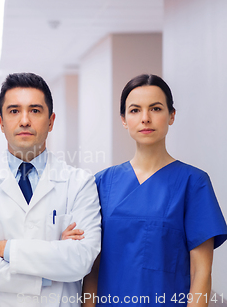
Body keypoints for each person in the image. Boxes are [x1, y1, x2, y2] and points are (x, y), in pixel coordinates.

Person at [0, 72, 101, 307]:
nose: (24, 121)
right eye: (14, 111)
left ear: (51, 121)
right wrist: (51, 265)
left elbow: (81, 260)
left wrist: (4, 249)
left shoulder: (80, 183)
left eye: (35, 110)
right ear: (1, 123)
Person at [82, 74, 227, 307]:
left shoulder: (194, 183)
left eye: (156, 108)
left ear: (171, 116)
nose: (145, 118)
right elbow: (92, 269)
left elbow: (201, 272)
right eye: (135, 110)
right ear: (123, 119)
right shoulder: (101, 183)